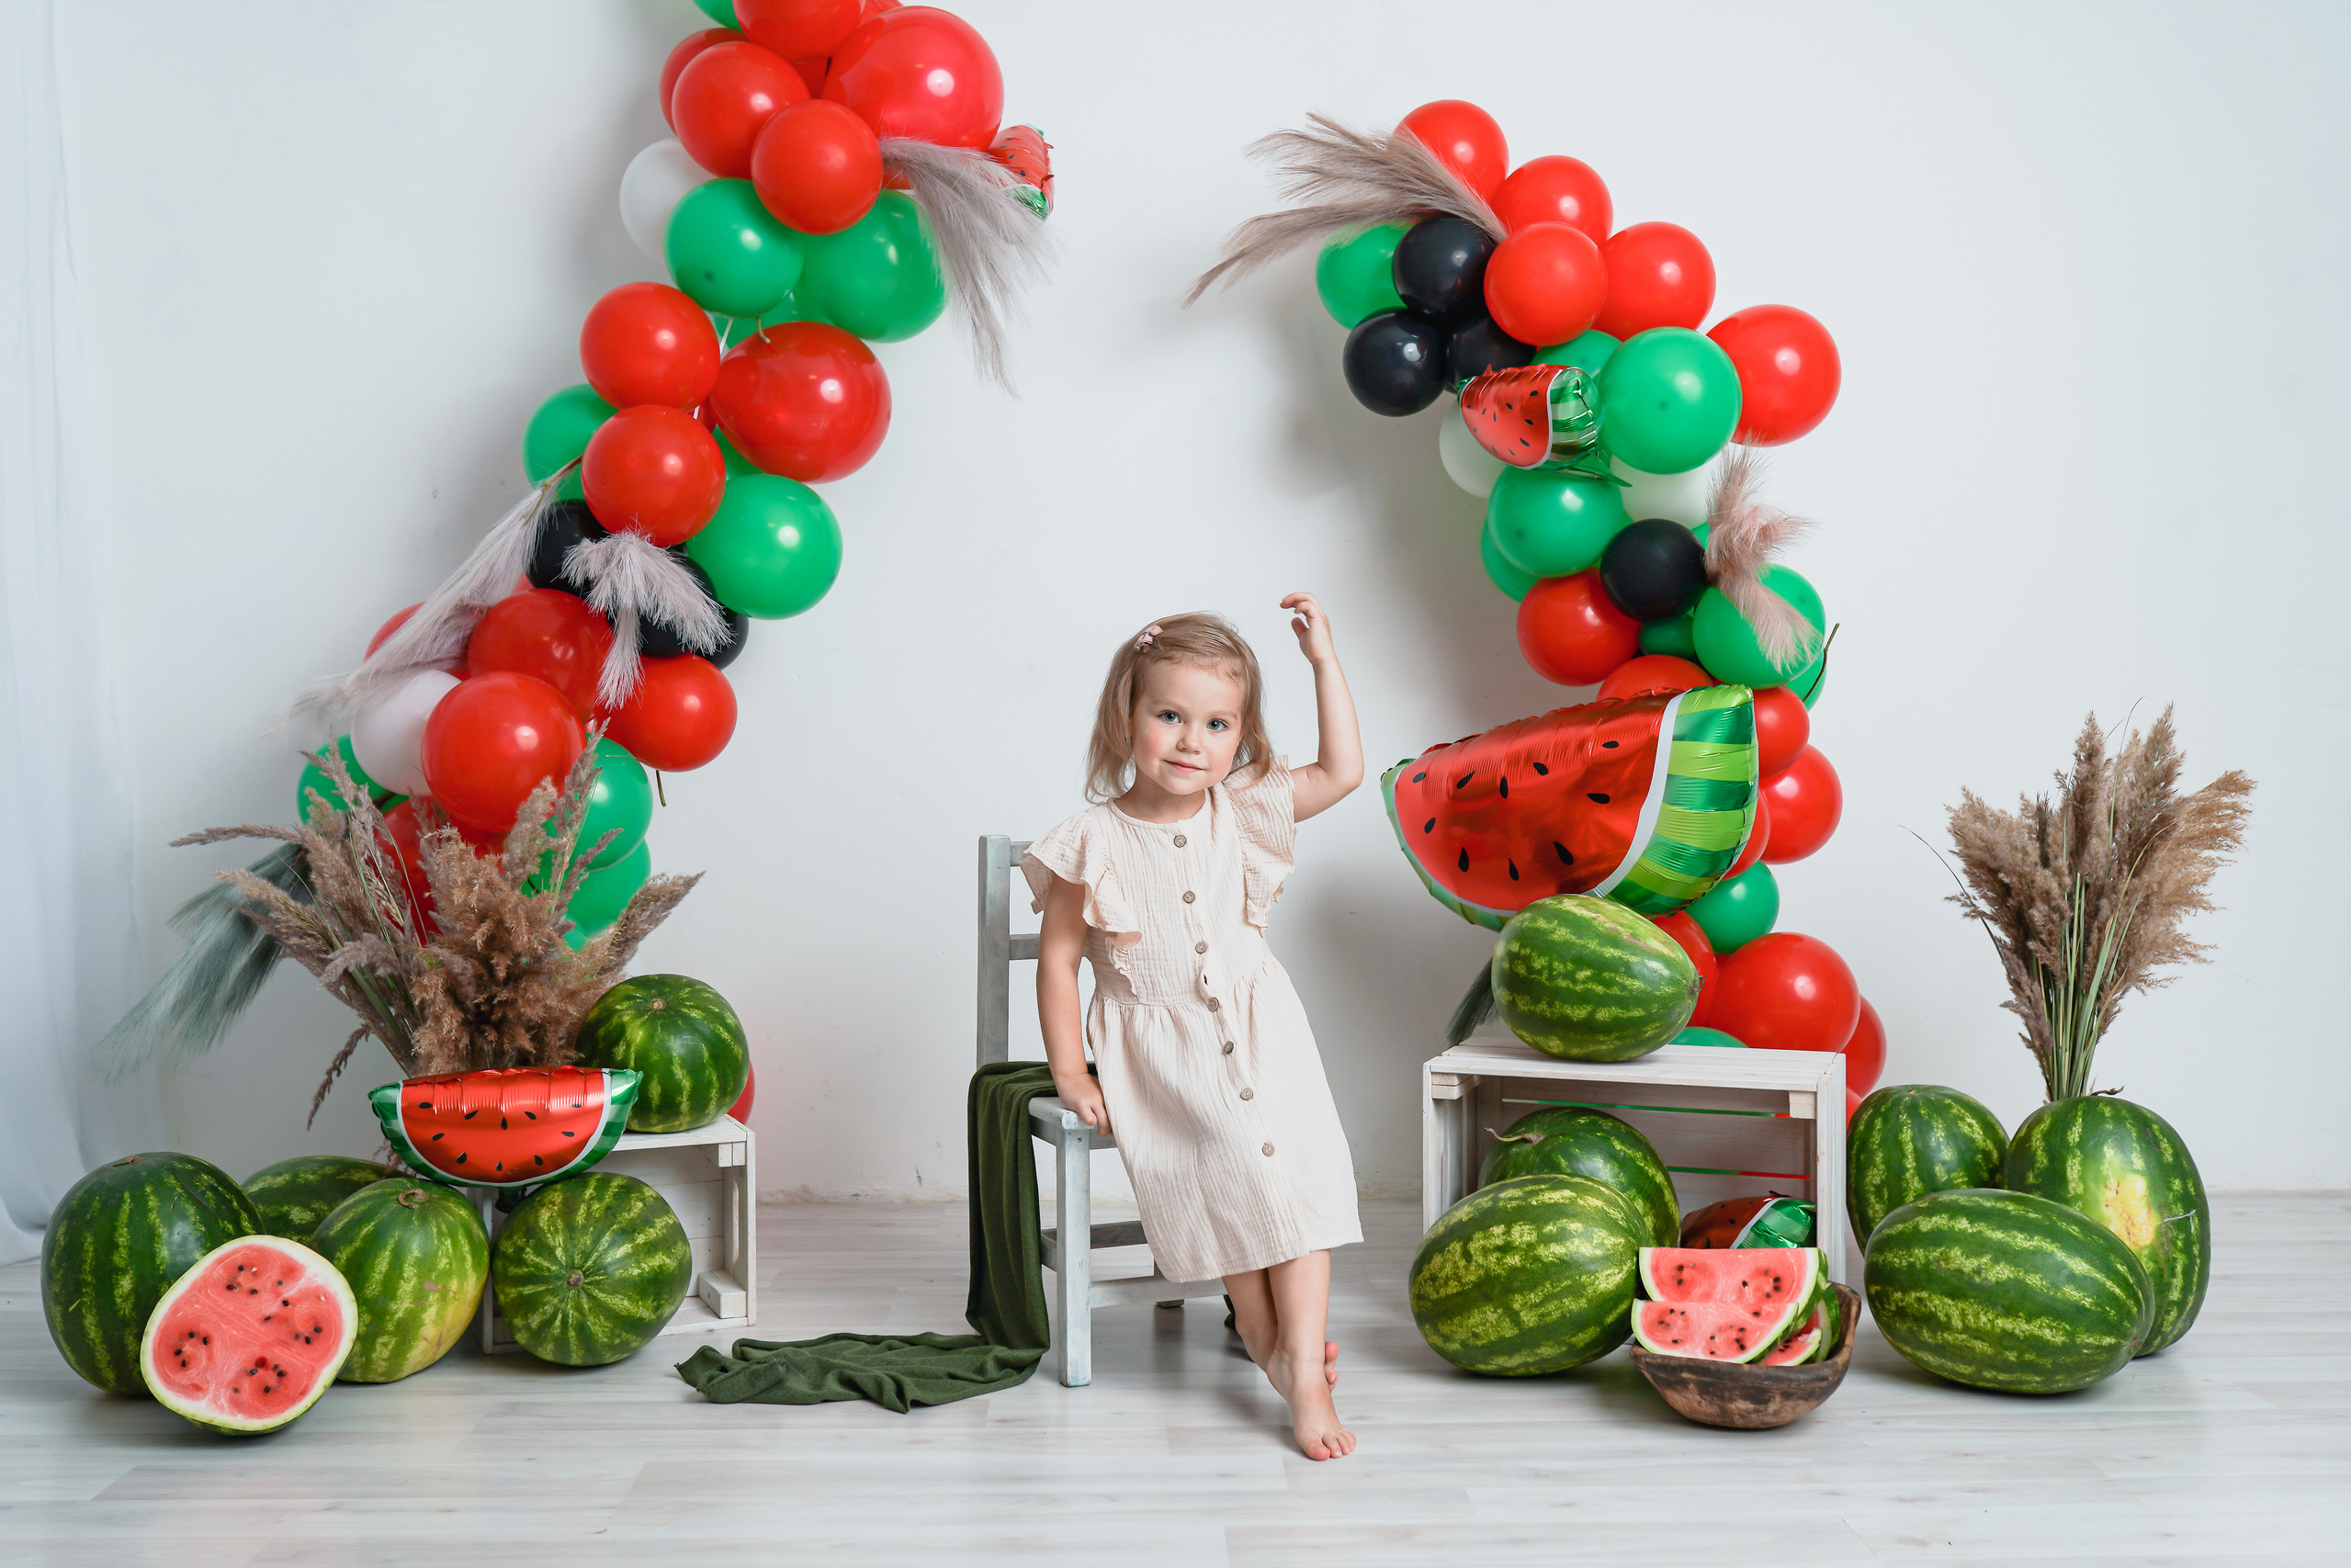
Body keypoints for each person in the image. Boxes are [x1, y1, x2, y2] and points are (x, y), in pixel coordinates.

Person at [1023, 596, 1364, 1461]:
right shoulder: (1090, 839)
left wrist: (1323, 661)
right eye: (1169, 715)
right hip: (1158, 1052)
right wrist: (1073, 1072)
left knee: (1299, 1176)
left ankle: (1304, 1369)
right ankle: (1260, 1328)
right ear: (1126, 717)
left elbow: (1342, 771)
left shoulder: (1242, 808)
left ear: (1240, 735)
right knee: (1223, 1168)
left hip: (1263, 1029)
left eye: (1216, 724)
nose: (1190, 741)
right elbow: (1058, 960)